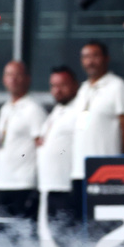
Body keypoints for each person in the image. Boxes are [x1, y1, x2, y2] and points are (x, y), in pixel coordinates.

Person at [70, 41, 124, 213]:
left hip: (105, 173)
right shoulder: (83, 89)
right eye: (86, 57)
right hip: (79, 171)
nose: (90, 61)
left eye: (95, 56)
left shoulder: (118, 87)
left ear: (106, 59)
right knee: (80, 228)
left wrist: (121, 167)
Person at [0, 60, 43, 220]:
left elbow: (42, 147)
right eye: (9, 75)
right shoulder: (5, 108)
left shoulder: (33, 109)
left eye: (18, 75)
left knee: (23, 235)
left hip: (24, 184)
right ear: (3, 79)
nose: (13, 79)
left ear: (27, 79)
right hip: (3, 182)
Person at [37, 66, 82, 232]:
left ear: (75, 85)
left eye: (63, 85)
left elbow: (85, 136)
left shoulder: (80, 110)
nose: (57, 90)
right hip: (50, 185)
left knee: (69, 237)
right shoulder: (57, 111)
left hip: (67, 186)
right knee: (53, 237)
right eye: (53, 86)